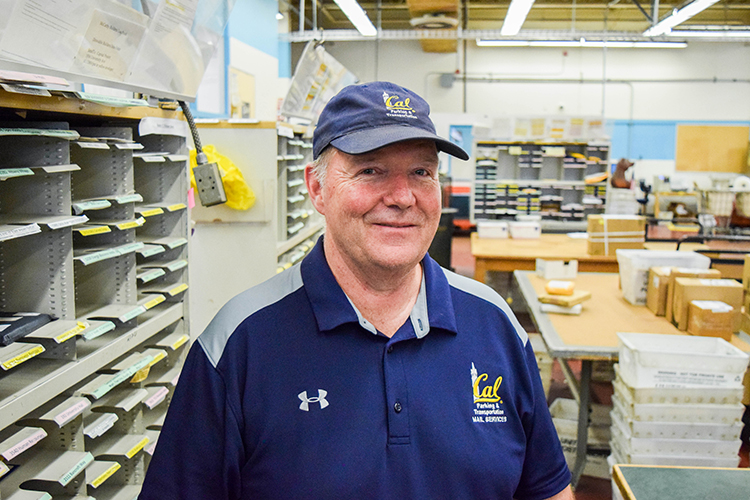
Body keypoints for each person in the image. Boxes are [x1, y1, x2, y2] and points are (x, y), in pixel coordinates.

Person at [139, 81, 574, 500]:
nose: (403, 197)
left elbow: (547, 488)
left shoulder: (494, 324)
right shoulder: (238, 344)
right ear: (317, 188)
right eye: (371, 170)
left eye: (421, 171)